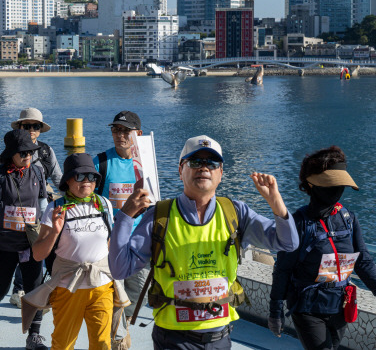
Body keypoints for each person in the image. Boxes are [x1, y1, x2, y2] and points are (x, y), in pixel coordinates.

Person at [108, 135, 299, 349]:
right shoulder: (159, 216)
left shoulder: (236, 213)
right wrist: (125, 216)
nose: (204, 167)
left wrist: (276, 203)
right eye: (195, 162)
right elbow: (120, 268)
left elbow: (288, 243)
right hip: (173, 339)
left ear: (221, 173)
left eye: (212, 162)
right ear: (181, 170)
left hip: (220, 338)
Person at [269, 146, 376, 349]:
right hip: (307, 307)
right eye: (331, 184)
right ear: (311, 185)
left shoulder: (349, 219)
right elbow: (283, 269)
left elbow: (363, 261)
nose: (337, 190)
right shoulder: (299, 222)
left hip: (340, 306)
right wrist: (275, 311)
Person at [24, 153, 129, 349]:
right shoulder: (56, 208)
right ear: (68, 181)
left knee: (102, 343)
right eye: (80, 176)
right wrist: (55, 231)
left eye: (91, 177)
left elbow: (108, 243)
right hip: (68, 287)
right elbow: (38, 254)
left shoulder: (104, 204)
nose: (86, 182)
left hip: (101, 285)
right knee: (63, 343)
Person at [0, 129, 48, 350]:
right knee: (0, 287)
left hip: (31, 244)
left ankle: (34, 335)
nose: (27, 155)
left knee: (35, 290)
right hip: (5, 244)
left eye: (30, 151)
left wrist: (47, 230)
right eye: (22, 152)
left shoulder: (37, 173)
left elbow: (43, 203)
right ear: (11, 154)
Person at [93, 110, 146, 349]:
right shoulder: (101, 162)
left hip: (140, 242)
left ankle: (121, 326)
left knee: (139, 291)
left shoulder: (145, 163)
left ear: (138, 134)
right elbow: (88, 199)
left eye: (125, 130)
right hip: (109, 242)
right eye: (116, 130)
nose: (120, 135)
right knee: (116, 292)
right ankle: (118, 340)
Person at [9, 107, 63, 308]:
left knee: (45, 249)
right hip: (19, 210)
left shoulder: (47, 151)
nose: (31, 129)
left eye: (35, 126)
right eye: (27, 126)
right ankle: (19, 289)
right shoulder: (11, 151)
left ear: (40, 130)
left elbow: (58, 179)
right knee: (24, 250)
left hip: (43, 209)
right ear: (20, 127)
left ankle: (40, 290)